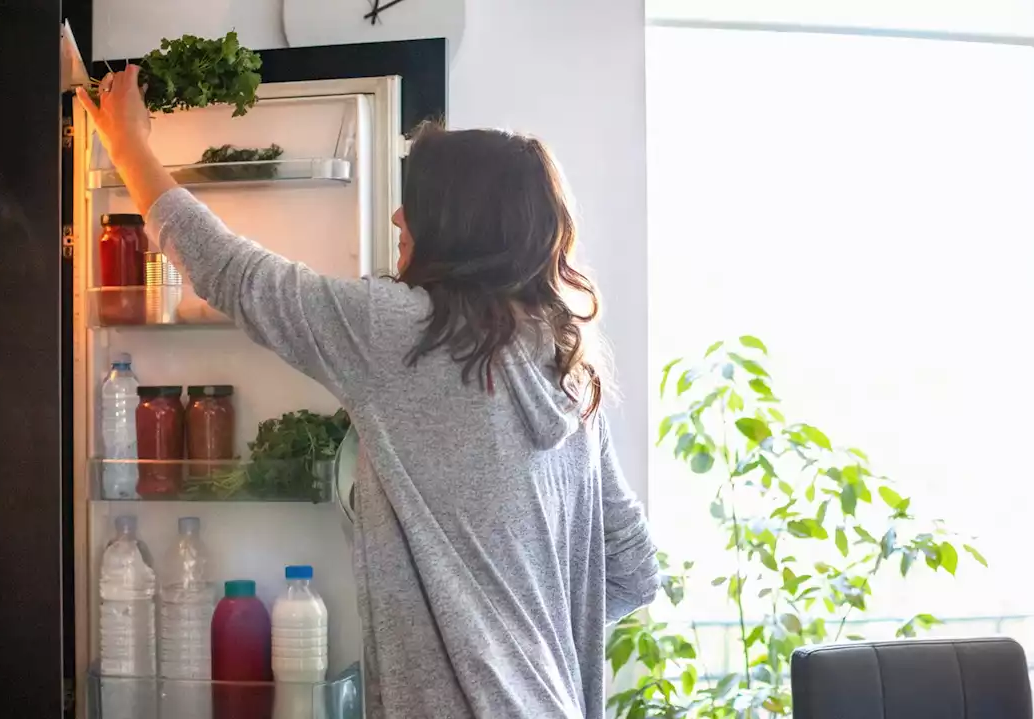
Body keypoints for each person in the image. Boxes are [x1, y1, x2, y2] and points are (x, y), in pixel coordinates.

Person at [78, 67, 659, 718]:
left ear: (456, 227)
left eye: (418, 203)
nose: (396, 215)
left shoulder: (407, 331)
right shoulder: (566, 364)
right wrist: (513, 634)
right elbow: (633, 568)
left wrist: (128, 145)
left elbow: (237, 275)